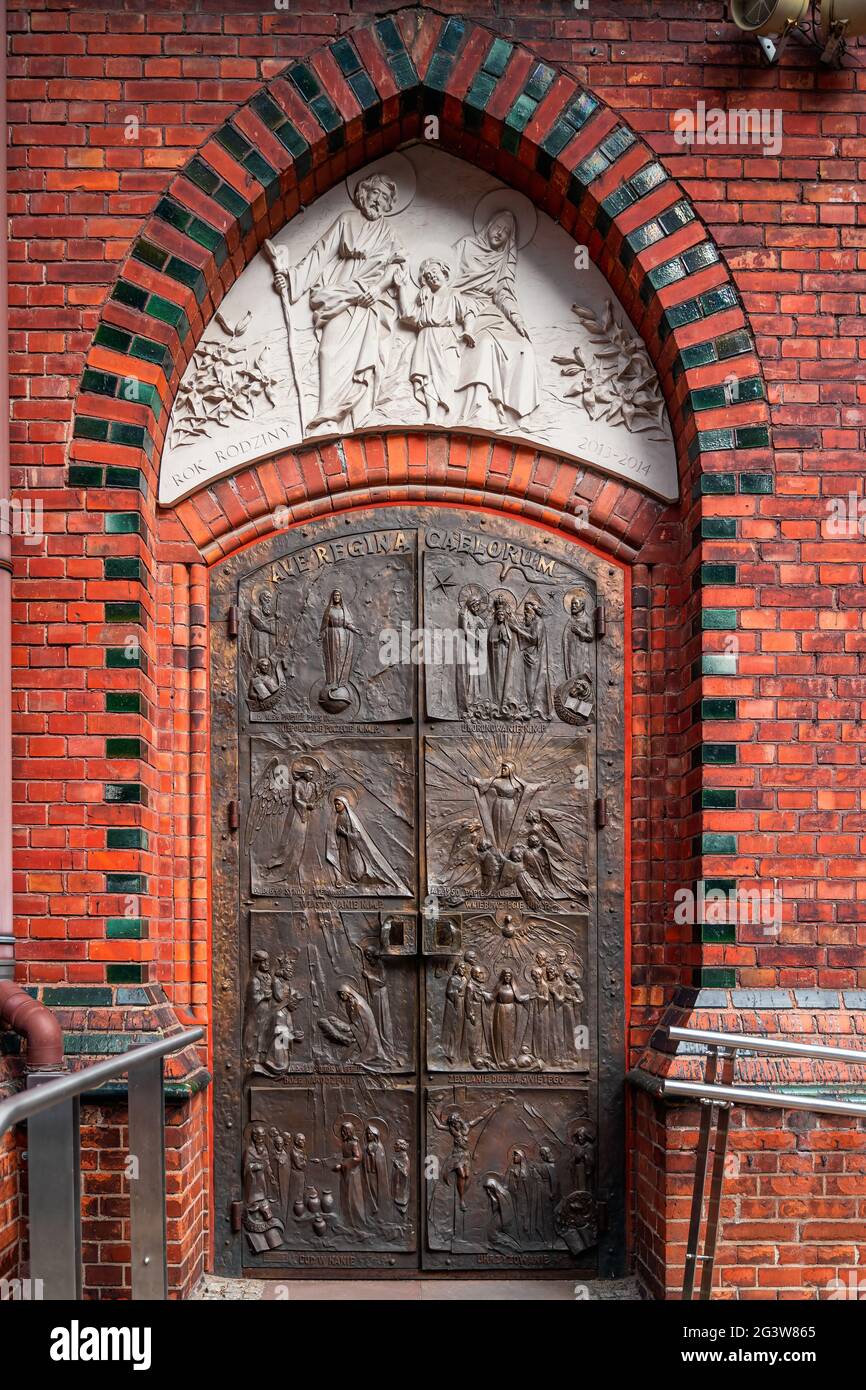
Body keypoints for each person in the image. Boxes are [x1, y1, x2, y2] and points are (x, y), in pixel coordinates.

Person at [270, 173, 407, 431]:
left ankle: (357, 417)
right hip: (339, 294)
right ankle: (327, 410)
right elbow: (320, 253)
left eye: (385, 197)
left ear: (389, 205)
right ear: (363, 194)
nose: (378, 200)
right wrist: (292, 281)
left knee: (365, 357)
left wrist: (378, 289)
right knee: (328, 350)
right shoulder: (347, 220)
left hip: (368, 302)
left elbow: (399, 266)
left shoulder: (389, 233)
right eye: (375, 193)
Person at [451, 210, 540, 426]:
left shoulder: (502, 259)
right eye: (498, 227)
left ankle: (522, 413)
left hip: (491, 312)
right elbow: (447, 278)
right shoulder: (465, 245)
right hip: (463, 305)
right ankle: (479, 408)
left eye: (506, 232)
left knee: (524, 349)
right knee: (485, 344)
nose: (500, 233)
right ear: (489, 224)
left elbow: (503, 293)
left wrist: (518, 320)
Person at [398, 256, 477, 421]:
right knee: (428, 377)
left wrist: (468, 330)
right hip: (426, 338)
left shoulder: (454, 295)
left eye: (434, 272)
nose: (431, 276)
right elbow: (408, 314)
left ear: (445, 273)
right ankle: (432, 416)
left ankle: (447, 415)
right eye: (427, 276)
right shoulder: (425, 298)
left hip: (447, 338)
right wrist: (401, 288)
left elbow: (467, 313)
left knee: (448, 373)